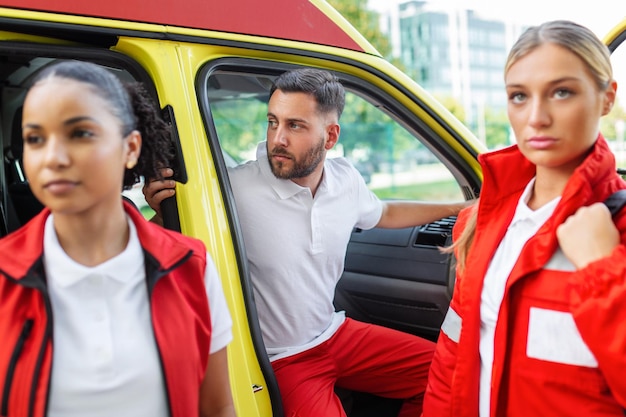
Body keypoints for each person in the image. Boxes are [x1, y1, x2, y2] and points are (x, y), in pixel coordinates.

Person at [144, 67, 471, 416]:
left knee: (453, 374)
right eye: (273, 122)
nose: (277, 139)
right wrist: (162, 213)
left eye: (294, 125)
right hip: (285, 358)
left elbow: (385, 212)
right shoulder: (233, 189)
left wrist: (466, 207)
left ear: (330, 137)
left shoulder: (345, 180)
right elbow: (178, 240)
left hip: (334, 332)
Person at [0, 60, 236, 417]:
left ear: (131, 147)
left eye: (79, 133)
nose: (53, 157)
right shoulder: (4, 274)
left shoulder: (191, 266)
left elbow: (217, 408)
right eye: (35, 139)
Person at [422, 20, 626, 417]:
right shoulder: (481, 221)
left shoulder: (615, 232)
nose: (536, 118)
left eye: (561, 92)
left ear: (606, 98)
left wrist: (603, 270)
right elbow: (453, 358)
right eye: (519, 96)